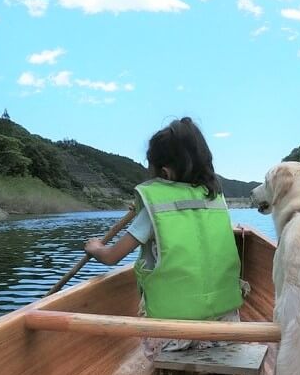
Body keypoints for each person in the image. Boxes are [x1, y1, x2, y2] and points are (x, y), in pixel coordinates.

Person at [84, 117, 245, 361]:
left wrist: (96, 247)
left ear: (165, 172)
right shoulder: (215, 200)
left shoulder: (155, 207)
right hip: (226, 333)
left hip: (173, 338)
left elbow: (111, 257)